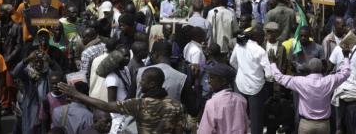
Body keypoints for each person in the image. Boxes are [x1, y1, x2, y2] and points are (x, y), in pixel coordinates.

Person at [57, 67, 186, 134]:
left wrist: (77, 94)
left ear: (152, 84)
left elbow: (106, 106)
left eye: (143, 80)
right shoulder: (177, 105)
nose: (140, 82)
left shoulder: (139, 104)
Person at [271, 55, 351, 133]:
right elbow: (345, 73)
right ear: (322, 68)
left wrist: (273, 63)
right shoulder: (329, 81)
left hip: (306, 125)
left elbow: (279, 77)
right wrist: (346, 56)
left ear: (308, 69)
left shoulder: (301, 81)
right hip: (323, 125)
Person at [230, 26, 272, 134]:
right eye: (263, 36)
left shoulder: (239, 45)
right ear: (258, 37)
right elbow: (269, 75)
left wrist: (241, 70)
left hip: (240, 85)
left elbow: (232, 61)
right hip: (256, 89)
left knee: (239, 116)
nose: (265, 39)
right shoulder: (261, 51)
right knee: (256, 120)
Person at [198, 63, 248, 134]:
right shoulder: (241, 100)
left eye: (212, 78)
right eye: (208, 77)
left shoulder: (212, 103)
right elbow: (245, 126)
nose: (208, 81)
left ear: (223, 81)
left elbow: (205, 131)